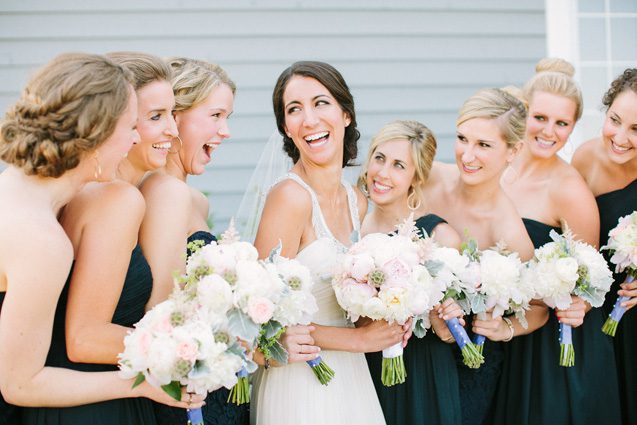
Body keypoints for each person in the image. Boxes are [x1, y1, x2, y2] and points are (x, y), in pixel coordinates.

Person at [0, 53, 197, 425]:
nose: (136, 138)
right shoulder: (41, 239)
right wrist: (140, 382)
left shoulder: (18, 188)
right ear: (95, 135)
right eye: (130, 127)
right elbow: (19, 384)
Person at [250, 61, 407, 425]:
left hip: (353, 381)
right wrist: (358, 341)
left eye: (320, 103)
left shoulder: (360, 201)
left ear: (345, 114)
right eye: (294, 110)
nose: (309, 119)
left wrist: (397, 302)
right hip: (301, 383)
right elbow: (260, 322)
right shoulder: (289, 199)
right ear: (286, 129)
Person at [492, 57, 621, 425]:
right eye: (540, 118)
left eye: (562, 123)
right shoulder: (500, 167)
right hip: (497, 332)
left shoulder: (571, 192)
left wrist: (579, 300)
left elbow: (590, 281)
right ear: (522, 112)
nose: (549, 131)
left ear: (573, 127)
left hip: (551, 352)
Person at [423, 87, 546, 425]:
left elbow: (538, 309)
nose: (467, 155)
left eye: (484, 145)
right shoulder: (429, 178)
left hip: (466, 367)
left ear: (513, 150)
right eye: (463, 138)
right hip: (407, 348)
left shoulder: (507, 228)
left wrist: (504, 328)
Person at [139, 57, 246, 425]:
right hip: (186, 392)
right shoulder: (163, 192)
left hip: (215, 382)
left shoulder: (194, 199)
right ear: (177, 114)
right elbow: (159, 310)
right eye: (216, 116)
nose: (226, 130)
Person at [359, 119, 464, 425]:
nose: (383, 173)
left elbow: (450, 332)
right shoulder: (350, 228)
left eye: (398, 166)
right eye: (379, 158)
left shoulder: (439, 238)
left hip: (422, 375)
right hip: (360, 370)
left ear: (416, 177)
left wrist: (442, 319)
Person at [573, 67, 637, 425]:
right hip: (596, 313)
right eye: (615, 120)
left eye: (636, 130)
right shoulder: (585, 158)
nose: (621, 137)